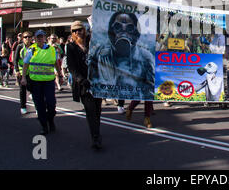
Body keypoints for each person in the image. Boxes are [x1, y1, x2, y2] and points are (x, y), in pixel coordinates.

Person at [89, 11, 155, 128]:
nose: (123, 32)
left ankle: (147, 118)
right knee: (138, 96)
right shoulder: (102, 55)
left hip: (140, 84)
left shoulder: (145, 56)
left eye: (129, 28)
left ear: (136, 33)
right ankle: (130, 108)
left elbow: (150, 83)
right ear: (111, 32)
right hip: (122, 88)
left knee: (147, 94)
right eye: (118, 27)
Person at [67, 21, 103, 149]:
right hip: (84, 85)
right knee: (90, 111)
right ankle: (95, 138)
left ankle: (96, 132)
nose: (78, 33)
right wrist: (82, 80)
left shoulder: (92, 43)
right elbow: (71, 67)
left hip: (97, 82)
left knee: (98, 110)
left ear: (84, 30)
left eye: (80, 30)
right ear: (72, 33)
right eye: (75, 31)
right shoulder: (71, 47)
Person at [21, 30, 61, 135]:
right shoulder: (32, 50)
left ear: (45, 38)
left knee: (51, 104)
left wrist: (60, 75)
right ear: (35, 38)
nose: (39, 39)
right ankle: (44, 126)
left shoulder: (52, 50)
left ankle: (50, 120)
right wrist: (24, 78)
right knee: (40, 105)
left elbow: (56, 63)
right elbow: (26, 64)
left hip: (49, 82)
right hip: (36, 82)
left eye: (41, 37)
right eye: (37, 37)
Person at [14, 32, 33, 115]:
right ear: (23, 38)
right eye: (25, 37)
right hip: (22, 71)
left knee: (33, 89)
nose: (27, 39)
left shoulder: (34, 46)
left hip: (32, 71)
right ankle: (23, 106)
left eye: (29, 37)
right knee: (23, 90)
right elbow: (15, 59)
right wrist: (16, 70)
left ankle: (37, 105)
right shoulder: (20, 46)